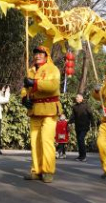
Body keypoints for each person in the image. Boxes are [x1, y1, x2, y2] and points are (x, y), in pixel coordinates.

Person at [21, 45, 61, 183]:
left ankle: (48, 171)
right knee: (34, 142)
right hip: (35, 109)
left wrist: (35, 83)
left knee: (46, 140)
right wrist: (23, 99)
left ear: (46, 56)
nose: (37, 55)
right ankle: (36, 170)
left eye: (40, 53)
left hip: (49, 109)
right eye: (36, 53)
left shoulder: (53, 69)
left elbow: (53, 86)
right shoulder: (30, 70)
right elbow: (25, 89)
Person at [69, 93, 94, 162]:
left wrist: (93, 124)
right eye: (76, 97)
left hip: (85, 126)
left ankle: (83, 156)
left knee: (80, 139)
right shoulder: (74, 107)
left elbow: (91, 115)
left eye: (78, 97)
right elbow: (73, 116)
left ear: (81, 98)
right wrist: (69, 123)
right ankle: (80, 156)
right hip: (78, 126)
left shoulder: (86, 106)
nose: (76, 98)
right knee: (79, 141)